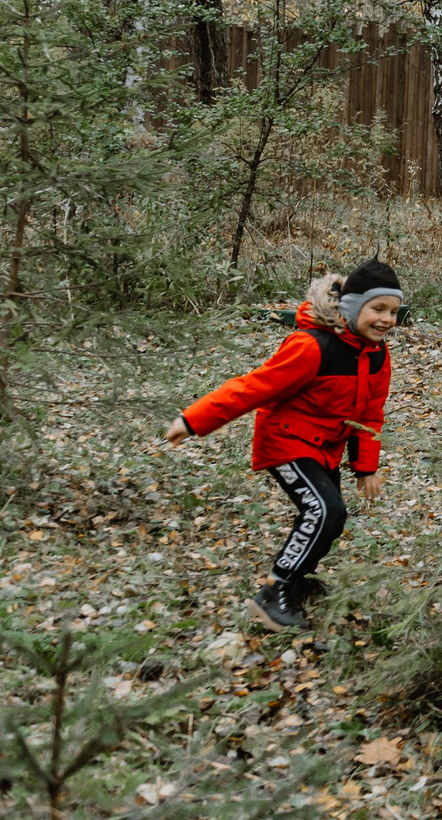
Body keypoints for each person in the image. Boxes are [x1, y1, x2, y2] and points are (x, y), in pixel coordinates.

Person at [163, 261, 400, 632]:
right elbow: (252, 387)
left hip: (324, 448)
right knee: (324, 511)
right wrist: (193, 420)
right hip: (286, 441)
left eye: (393, 312)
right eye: (378, 309)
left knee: (331, 518)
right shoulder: (311, 347)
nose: (386, 319)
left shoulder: (376, 355)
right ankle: (274, 590)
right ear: (353, 308)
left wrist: (366, 466)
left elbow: (370, 414)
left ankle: (298, 576)